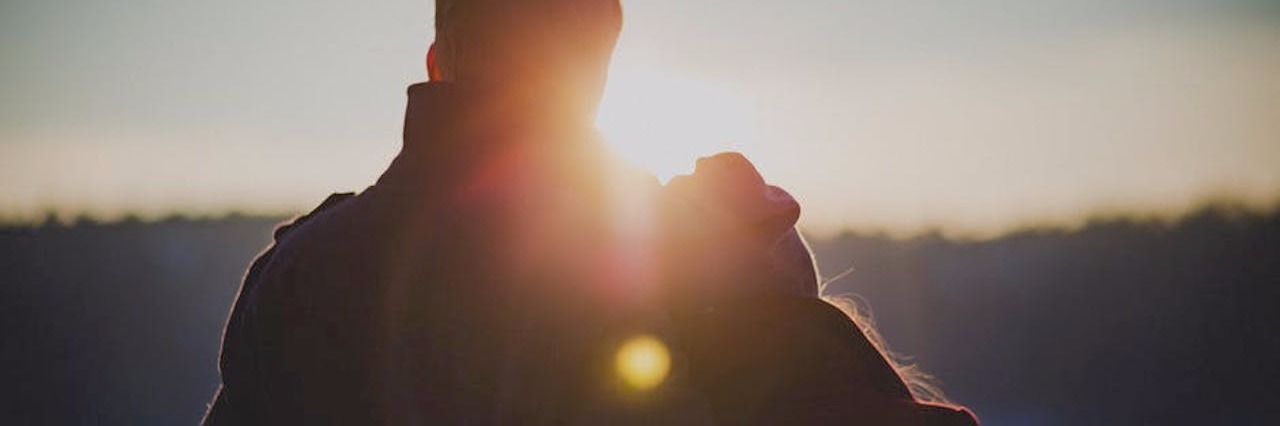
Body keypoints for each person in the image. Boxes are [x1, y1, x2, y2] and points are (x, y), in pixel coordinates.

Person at [204, 0, 980, 424]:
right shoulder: (660, 255)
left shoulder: (295, 275)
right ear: (600, 69)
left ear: (438, 64)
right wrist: (763, 294)